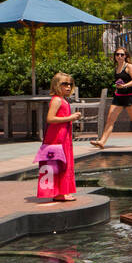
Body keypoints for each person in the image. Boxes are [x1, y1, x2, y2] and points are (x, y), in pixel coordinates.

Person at [91, 47, 132, 148]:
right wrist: (117, 87)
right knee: (110, 120)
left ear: (125, 56)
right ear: (115, 56)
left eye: (122, 55)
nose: (119, 56)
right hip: (118, 97)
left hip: (129, 97)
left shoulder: (128, 66)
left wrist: (124, 85)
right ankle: (102, 141)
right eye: (117, 54)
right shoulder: (116, 68)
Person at [38, 73, 80, 202]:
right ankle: (58, 193)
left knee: (63, 163)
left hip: (63, 136)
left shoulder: (63, 100)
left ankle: (62, 191)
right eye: (64, 84)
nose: (68, 87)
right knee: (57, 163)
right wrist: (70, 118)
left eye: (70, 84)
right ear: (57, 85)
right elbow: (50, 119)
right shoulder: (56, 100)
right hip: (56, 137)